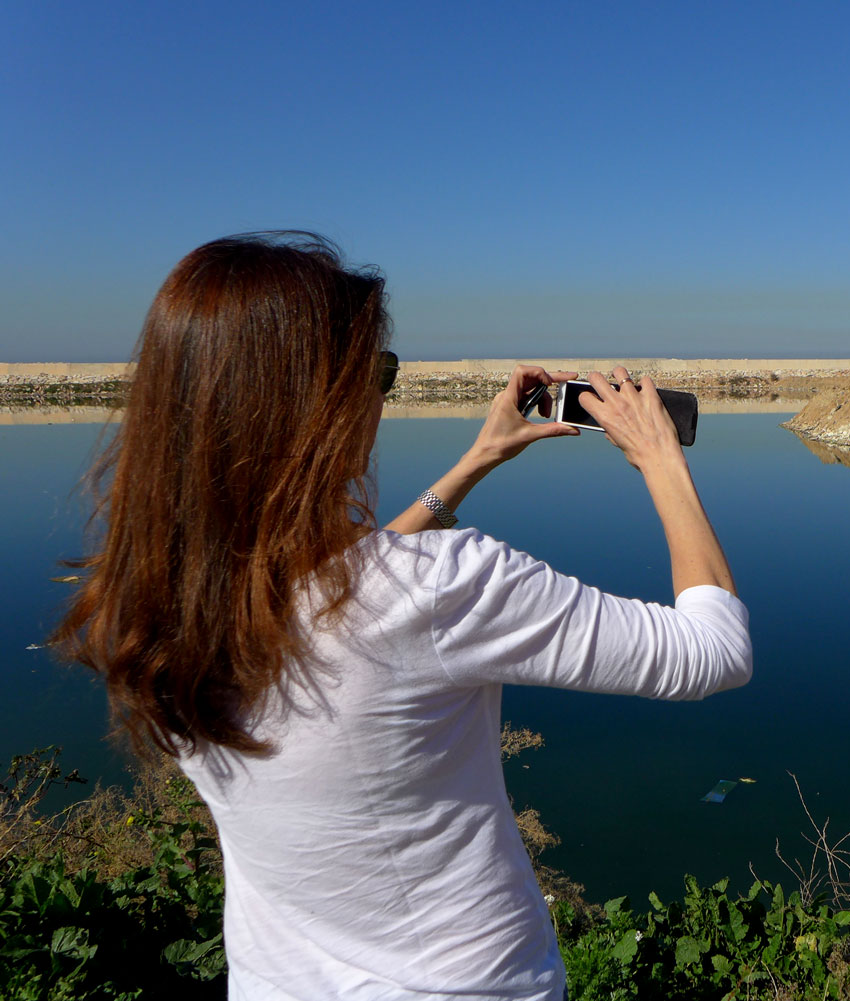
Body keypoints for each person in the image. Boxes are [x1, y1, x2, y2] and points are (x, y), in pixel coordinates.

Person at [54, 232, 752, 1001]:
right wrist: (661, 461)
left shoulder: (155, 602)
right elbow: (713, 650)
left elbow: (344, 600)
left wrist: (474, 462)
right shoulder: (442, 588)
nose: (380, 398)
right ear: (314, 400)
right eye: (378, 373)